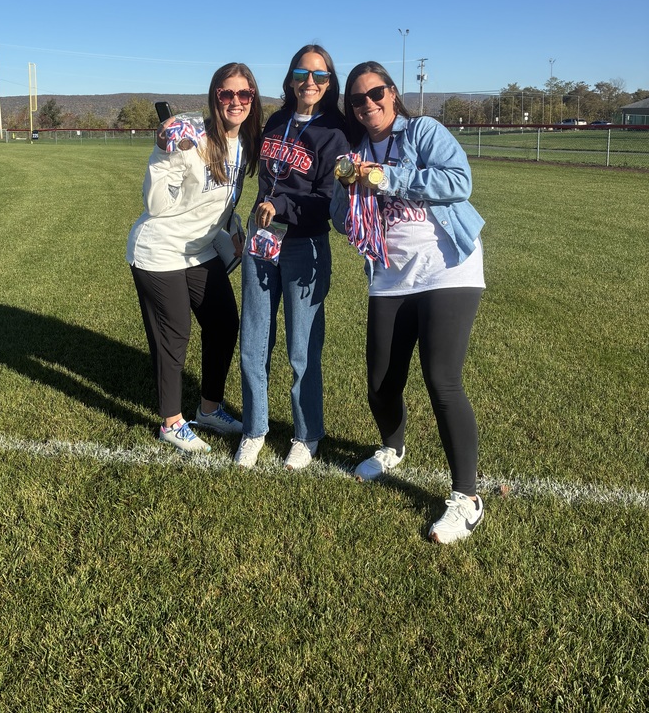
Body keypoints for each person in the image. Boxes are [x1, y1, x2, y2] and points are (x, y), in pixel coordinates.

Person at [331, 62, 486, 543]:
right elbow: (342, 220)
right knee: (380, 384)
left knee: (441, 378)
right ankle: (392, 449)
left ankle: (467, 498)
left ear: (393, 94)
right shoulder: (352, 151)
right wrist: (347, 188)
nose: (368, 104)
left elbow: (459, 181)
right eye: (358, 100)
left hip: (448, 268)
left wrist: (387, 177)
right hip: (392, 277)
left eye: (376, 93)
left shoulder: (423, 131)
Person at [127, 63, 262, 453]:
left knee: (223, 324)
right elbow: (154, 204)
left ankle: (208, 409)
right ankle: (171, 422)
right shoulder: (189, 136)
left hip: (200, 250)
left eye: (244, 94)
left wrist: (230, 229)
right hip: (160, 250)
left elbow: (219, 198)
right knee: (175, 335)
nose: (235, 102)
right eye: (226, 93)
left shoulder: (246, 142)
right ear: (214, 96)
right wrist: (163, 152)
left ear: (252, 100)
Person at [235, 45, 349, 470]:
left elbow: (329, 201)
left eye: (320, 75)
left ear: (330, 82)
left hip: (305, 244)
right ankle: (255, 429)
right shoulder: (276, 121)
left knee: (301, 349)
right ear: (290, 77)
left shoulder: (335, 134)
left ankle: (306, 434)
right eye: (303, 72)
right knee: (253, 341)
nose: (310, 82)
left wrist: (282, 208)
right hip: (263, 239)